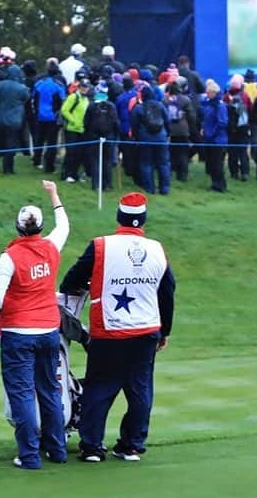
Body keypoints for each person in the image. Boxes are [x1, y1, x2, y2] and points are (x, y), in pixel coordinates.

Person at [59, 192, 175, 462]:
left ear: (119, 217)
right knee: (140, 390)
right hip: (146, 330)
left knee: (100, 388)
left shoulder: (101, 246)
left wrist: (89, 285)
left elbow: (71, 279)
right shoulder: (157, 249)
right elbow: (167, 291)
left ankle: (92, 447)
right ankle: (132, 445)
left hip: (108, 329)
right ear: (143, 219)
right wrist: (164, 331)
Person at [0, 180, 69, 470]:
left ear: (18, 227)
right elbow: (64, 226)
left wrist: (9, 309)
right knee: (49, 390)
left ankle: (29, 455)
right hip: (48, 329)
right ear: (39, 227)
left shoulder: (9, 257)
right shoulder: (50, 247)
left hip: (18, 333)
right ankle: (57, 451)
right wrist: (53, 194)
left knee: (22, 393)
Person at [0, 64, 29, 175]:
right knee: (11, 144)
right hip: (14, 120)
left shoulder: (0, 85)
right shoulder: (22, 88)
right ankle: (8, 169)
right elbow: (26, 99)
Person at [200, 79, 229, 193]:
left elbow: (222, 123)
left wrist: (211, 133)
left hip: (218, 140)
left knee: (217, 164)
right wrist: (203, 128)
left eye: (208, 92)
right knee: (211, 164)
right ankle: (214, 183)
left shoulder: (220, 106)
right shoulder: (209, 105)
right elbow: (206, 119)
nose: (207, 94)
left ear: (214, 93)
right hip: (209, 139)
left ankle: (220, 186)